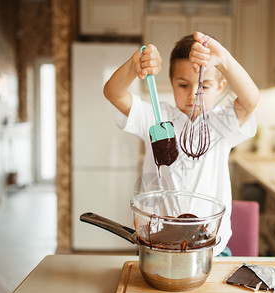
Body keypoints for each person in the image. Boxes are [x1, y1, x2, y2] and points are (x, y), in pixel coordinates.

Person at [103, 31, 259, 256]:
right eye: (183, 85)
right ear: (172, 83)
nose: (193, 94)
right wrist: (135, 64)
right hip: (157, 245)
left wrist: (223, 58)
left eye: (203, 86)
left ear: (221, 85)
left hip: (212, 248)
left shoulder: (221, 124)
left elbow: (250, 101)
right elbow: (113, 93)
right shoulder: (155, 118)